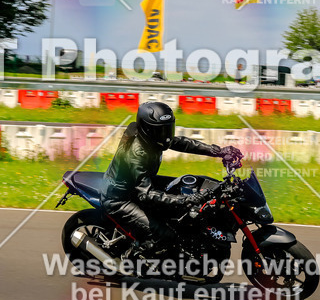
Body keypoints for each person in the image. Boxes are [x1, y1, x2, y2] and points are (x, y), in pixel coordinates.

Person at [102, 101, 242, 255]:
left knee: (185, 201)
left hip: (139, 184)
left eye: (167, 129)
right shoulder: (137, 155)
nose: (166, 135)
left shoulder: (153, 138)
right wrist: (185, 200)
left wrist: (217, 151)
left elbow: (182, 143)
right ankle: (135, 256)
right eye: (161, 130)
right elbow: (146, 194)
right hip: (121, 200)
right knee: (166, 234)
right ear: (148, 130)